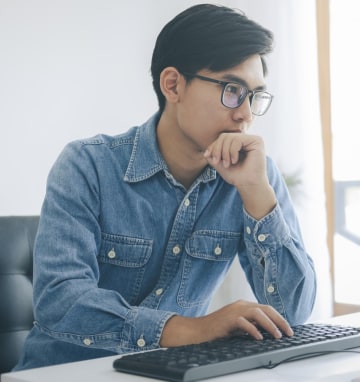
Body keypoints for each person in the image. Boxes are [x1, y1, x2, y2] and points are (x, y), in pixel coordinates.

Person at [14, 3, 316, 370]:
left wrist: (258, 196)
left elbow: (294, 313)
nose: (246, 114)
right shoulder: (87, 165)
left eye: (254, 96)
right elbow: (61, 302)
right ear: (173, 84)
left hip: (171, 375)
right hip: (63, 375)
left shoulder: (254, 175)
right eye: (233, 90)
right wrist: (193, 329)